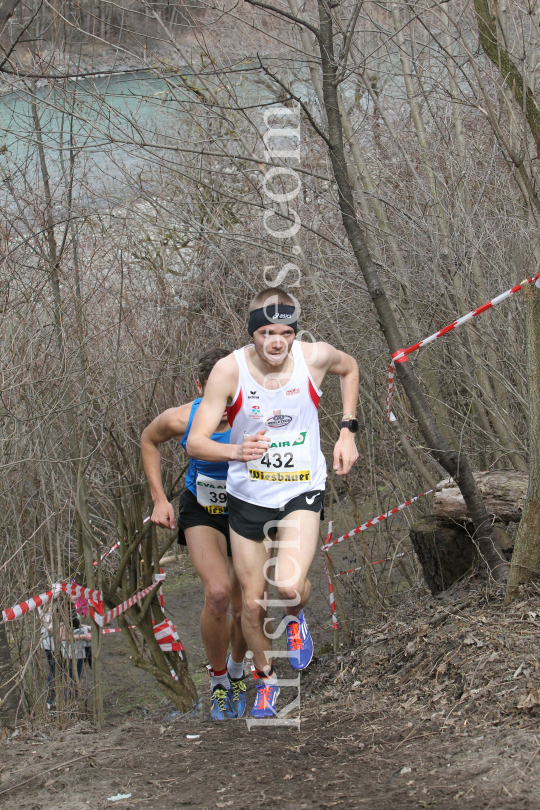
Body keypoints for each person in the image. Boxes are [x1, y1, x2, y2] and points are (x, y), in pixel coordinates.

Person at [187, 287, 359, 718]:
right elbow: (195, 440)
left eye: (284, 332)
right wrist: (234, 452)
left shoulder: (315, 357)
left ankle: (297, 617)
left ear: (294, 333)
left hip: (301, 487)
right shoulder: (229, 370)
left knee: (287, 586)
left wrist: (347, 430)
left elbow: (351, 368)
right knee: (253, 602)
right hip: (248, 495)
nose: (276, 341)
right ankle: (265, 683)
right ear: (253, 335)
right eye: (266, 332)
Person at [141, 348, 249, 721]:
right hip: (202, 510)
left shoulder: (256, 411)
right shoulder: (182, 418)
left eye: (231, 391)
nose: (223, 402)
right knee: (218, 594)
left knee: (246, 602)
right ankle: (218, 682)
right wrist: (159, 499)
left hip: (248, 507)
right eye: (215, 391)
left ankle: (237, 670)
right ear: (200, 387)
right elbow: (148, 440)